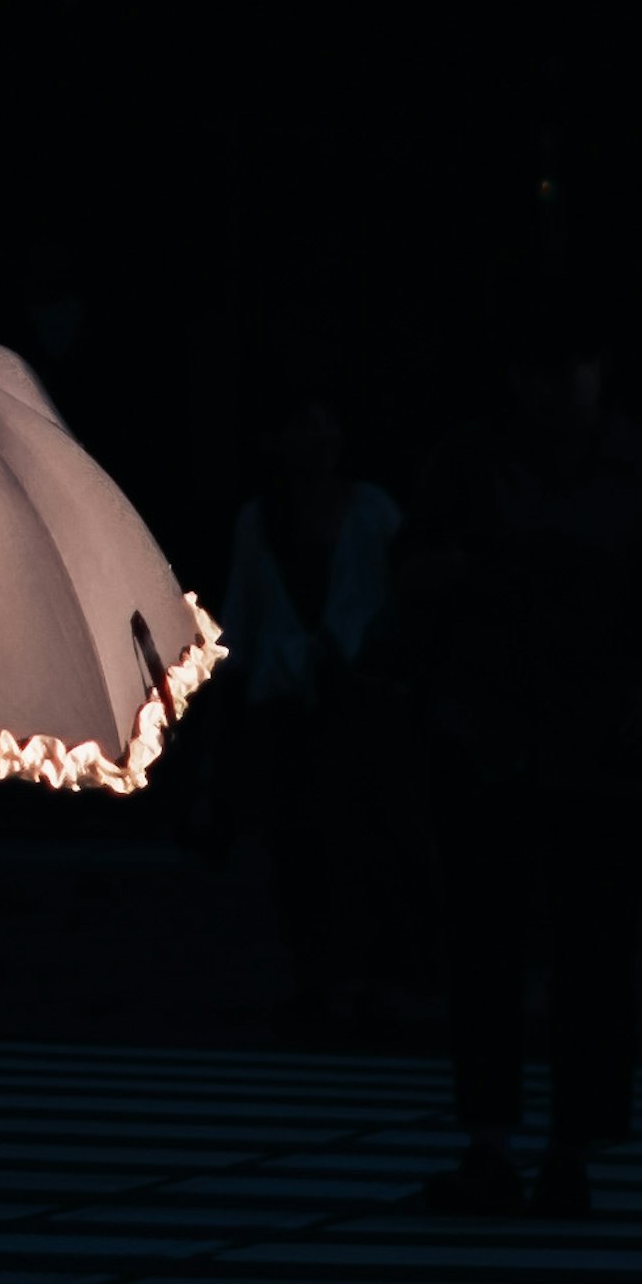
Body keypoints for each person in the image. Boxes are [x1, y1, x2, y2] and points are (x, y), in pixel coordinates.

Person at [392, 308, 642, 1218]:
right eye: (540, 371)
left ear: (598, 372)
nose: (554, 389)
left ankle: (569, 1145)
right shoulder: (474, 460)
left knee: (592, 952)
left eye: (569, 369)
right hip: (493, 728)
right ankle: (498, 1140)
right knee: (493, 944)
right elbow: (413, 567)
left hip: (599, 736)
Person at [213, 394, 401, 1030]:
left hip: (359, 696)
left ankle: (364, 975)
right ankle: (318, 977)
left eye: (325, 426)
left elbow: (398, 603)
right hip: (288, 701)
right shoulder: (259, 521)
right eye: (301, 427)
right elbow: (243, 618)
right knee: (300, 847)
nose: (316, 442)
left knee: (362, 842)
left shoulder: (373, 511)